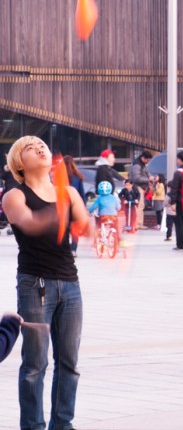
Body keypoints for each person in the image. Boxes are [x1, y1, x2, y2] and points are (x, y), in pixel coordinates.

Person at [3, 135, 90, 430]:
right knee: (34, 365)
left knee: (70, 364)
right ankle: (32, 426)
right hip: (34, 284)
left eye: (41, 144)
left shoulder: (67, 192)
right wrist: (63, 209)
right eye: (30, 147)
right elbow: (29, 222)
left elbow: (85, 227)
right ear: (19, 163)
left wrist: (101, 224)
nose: (40, 148)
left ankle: (63, 424)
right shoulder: (14, 195)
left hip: (70, 283)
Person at [64, 155, 86, 257]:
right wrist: (84, 208)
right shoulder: (77, 177)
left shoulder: (59, 177)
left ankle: (64, 249)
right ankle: (73, 250)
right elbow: (82, 194)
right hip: (75, 206)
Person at [129, 150, 152, 229]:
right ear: (143, 158)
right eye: (147, 160)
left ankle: (139, 223)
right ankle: (138, 224)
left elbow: (147, 172)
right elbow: (136, 178)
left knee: (141, 205)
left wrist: (150, 178)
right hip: (137, 187)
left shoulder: (142, 164)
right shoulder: (137, 165)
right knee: (139, 205)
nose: (147, 162)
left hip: (141, 187)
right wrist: (148, 179)